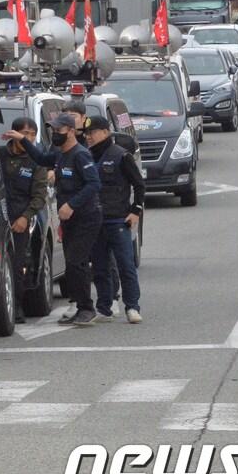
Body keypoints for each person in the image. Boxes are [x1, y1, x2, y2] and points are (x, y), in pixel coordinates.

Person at [3, 114, 103, 326]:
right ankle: (80, 307)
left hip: (86, 216)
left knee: (78, 262)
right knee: (72, 263)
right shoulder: (59, 154)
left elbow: (94, 183)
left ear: (71, 131)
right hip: (69, 219)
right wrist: (22, 140)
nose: (55, 134)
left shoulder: (81, 155)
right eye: (53, 131)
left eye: (59, 131)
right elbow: (40, 159)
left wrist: (72, 204)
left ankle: (87, 308)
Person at [82, 116, 145, 323]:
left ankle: (132, 307)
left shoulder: (120, 156)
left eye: (92, 133)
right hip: (94, 221)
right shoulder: (86, 156)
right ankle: (105, 306)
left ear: (105, 132)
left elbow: (139, 185)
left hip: (118, 220)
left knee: (126, 265)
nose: (89, 137)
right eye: (87, 134)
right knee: (100, 267)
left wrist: (135, 211)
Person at [0, 116, 50, 323]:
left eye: (32, 135)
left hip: (20, 219)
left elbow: (40, 195)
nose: (28, 138)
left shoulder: (36, 160)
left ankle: (17, 306)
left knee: (18, 264)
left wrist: (25, 217)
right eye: (25, 133)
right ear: (13, 134)